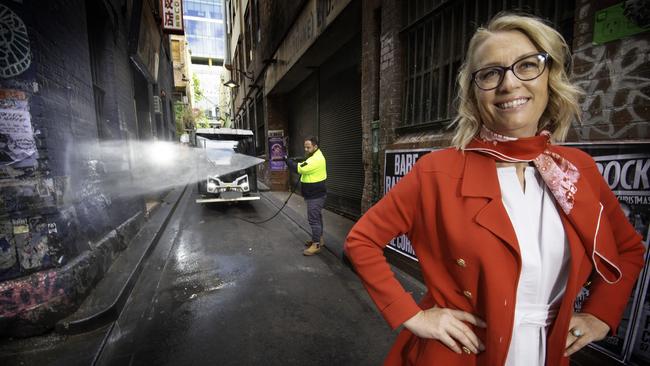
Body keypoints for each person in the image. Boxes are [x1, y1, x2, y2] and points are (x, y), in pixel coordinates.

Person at [344, 12, 645, 366]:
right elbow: (361, 241)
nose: (509, 84)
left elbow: (627, 249)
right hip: (460, 356)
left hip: (547, 354)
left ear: (550, 77)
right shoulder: (437, 172)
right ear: (474, 92)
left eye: (527, 65)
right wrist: (414, 315)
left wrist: (600, 314)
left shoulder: (577, 170)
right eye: (490, 73)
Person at [285, 136, 327, 256]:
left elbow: (300, 168)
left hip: (315, 195)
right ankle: (319, 239)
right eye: (305, 147)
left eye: (308, 147)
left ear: (315, 146)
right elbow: (304, 163)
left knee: (313, 219)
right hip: (314, 194)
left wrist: (288, 162)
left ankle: (316, 245)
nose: (306, 149)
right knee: (317, 218)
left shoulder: (316, 159)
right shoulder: (314, 156)